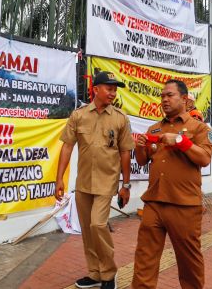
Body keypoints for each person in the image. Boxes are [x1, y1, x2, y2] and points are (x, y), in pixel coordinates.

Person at [55, 71, 134, 289]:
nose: (113, 93)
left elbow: (126, 152)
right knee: (88, 231)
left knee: (98, 225)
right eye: (109, 88)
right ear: (96, 89)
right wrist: (59, 179)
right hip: (83, 182)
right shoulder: (79, 115)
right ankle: (95, 273)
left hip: (106, 182)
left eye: (115, 89)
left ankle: (109, 274)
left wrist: (125, 185)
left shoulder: (120, 118)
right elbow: (67, 146)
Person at [132, 80, 212, 289]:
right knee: (145, 258)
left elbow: (204, 158)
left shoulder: (199, 128)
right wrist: (141, 147)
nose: (165, 100)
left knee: (189, 261)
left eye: (170, 95)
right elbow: (143, 160)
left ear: (185, 99)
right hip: (154, 203)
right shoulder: (155, 127)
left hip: (184, 205)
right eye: (162, 96)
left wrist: (180, 141)